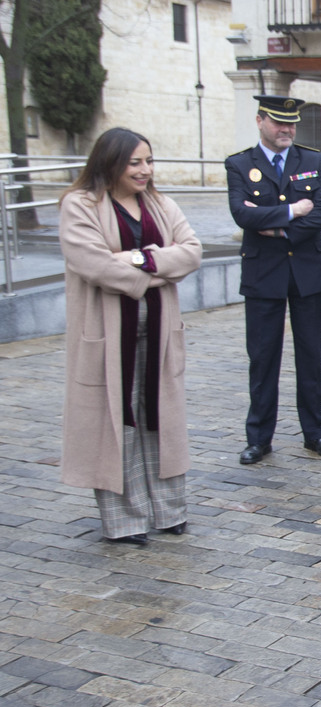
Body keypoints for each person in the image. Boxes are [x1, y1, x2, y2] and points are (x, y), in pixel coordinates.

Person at [58, 127, 202, 544]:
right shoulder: (80, 205)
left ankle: (168, 510)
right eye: (135, 162)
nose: (144, 170)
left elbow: (191, 251)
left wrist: (140, 259)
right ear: (110, 162)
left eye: (149, 161)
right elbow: (94, 265)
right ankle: (125, 520)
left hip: (158, 332)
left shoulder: (160, 203)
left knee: (160, 416)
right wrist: (156, 271)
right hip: (106, 336)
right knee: (117, 420)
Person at [226, 95, 321, 465]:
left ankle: (316, 433)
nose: (287, 130)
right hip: (264, 275)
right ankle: (259, 438)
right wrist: (292, 210)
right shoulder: (241, 164)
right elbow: (242, 215)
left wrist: (276, 229)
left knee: (310, 357)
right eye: (279, 123)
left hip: (308, 273)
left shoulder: (310, 159)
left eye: (291, 123)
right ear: (260, 121)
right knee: (263, 359)